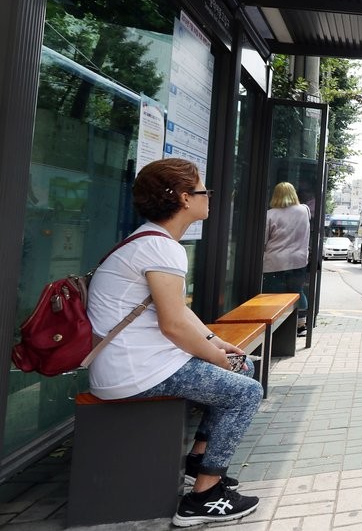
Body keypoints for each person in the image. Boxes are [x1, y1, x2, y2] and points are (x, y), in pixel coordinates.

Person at [86, 158, 262, 527]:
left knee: (242, 366)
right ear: (184, 198)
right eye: (203, 190)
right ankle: (203, 496)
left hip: (135, 361)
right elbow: (173, 327)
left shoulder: (151, 240)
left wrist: (216, 342)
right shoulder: (162, 248)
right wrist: (215, 357)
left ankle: (199, 459)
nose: (208, 197)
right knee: (246, 391)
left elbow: (178, 313)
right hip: (135, 370)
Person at [263, 182, 311, 335]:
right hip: (299, 260)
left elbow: (264, 240)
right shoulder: (304, 210)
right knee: (297, 291)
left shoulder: (270, 214)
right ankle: (301, 323)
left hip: (274, 262)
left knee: (274, 294)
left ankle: (277, 328)